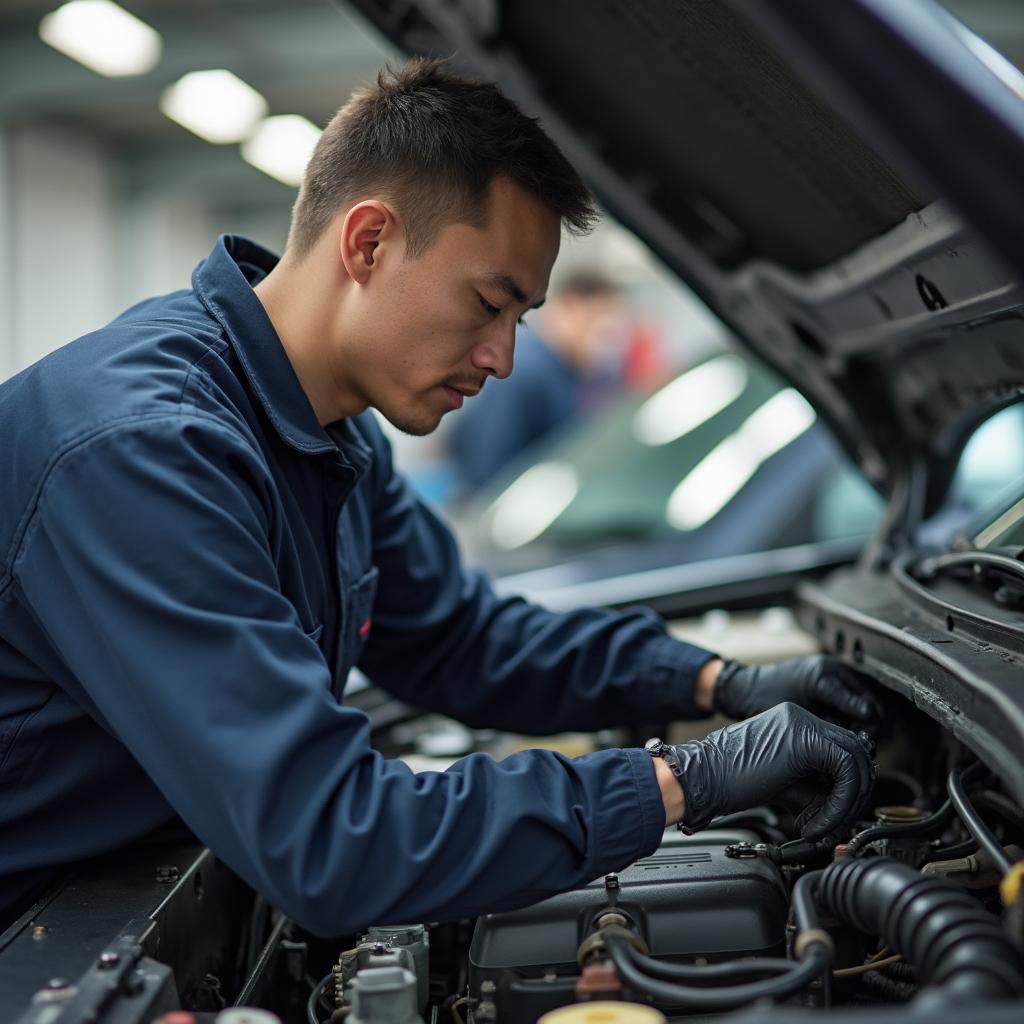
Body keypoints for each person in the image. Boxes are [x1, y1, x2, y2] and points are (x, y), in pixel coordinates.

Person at [0, 59, 878, 935]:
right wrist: (686, 781)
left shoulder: (329, 426)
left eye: (520, 320)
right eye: (487, 304)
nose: (501, 357)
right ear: (368, 242)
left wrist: (717, 682)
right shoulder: (142, 450)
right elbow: (333, 841)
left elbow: (460, 638)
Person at [447, 271, 624, 492]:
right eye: (597, 321)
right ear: (570, 306)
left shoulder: (569, 371)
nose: (604, 336)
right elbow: (487, 470)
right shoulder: (524, 370)